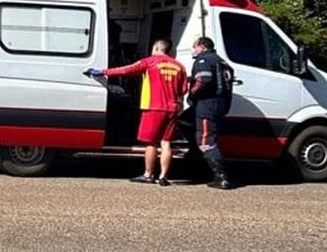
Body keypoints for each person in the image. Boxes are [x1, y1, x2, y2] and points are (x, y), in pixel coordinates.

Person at [87, 39, 187, 186]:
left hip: (153, 107)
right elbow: (183, 90)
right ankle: (163, 176)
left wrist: (103, 72)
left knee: (150, 142)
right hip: (172, 108)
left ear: (156, 47)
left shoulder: (150, 62)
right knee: (166, 143)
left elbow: (126, 70)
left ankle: (148, 174)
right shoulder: (179, 66)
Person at [188, 36, 234, 189]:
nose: (194, 50)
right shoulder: (221, 61)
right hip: (221, 104)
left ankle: (221, 178)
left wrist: (192, 93)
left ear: (202, 46)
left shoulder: (204, 60)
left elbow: (203, 79)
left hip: (207, 105)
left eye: (195, 47)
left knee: (206, 141)